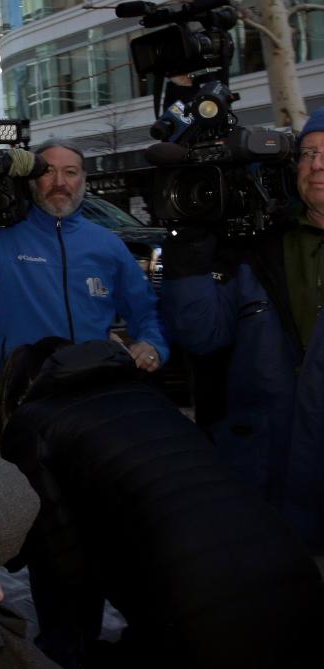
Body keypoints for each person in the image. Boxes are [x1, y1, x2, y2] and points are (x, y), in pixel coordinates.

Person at [0, 338, 324, 669]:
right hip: (298, 580)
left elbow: (60, 562)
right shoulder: (150, 398)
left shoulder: (33, 421)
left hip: (200, 609)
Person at [162, 107, 324, 551]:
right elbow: (201, 333)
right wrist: (189, 244)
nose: (317, 165)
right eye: (308, 154)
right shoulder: (258, 247)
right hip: (265, 482)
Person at [0, 139, 169, 425]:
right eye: (47, 172)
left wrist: (152, 344)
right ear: (30, 182)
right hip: (21, 402)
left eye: (70, 172)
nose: (59, 182)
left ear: (84, 180)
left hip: (95, 399)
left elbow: (145, 311)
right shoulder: (0, 242)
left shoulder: (108, 245)